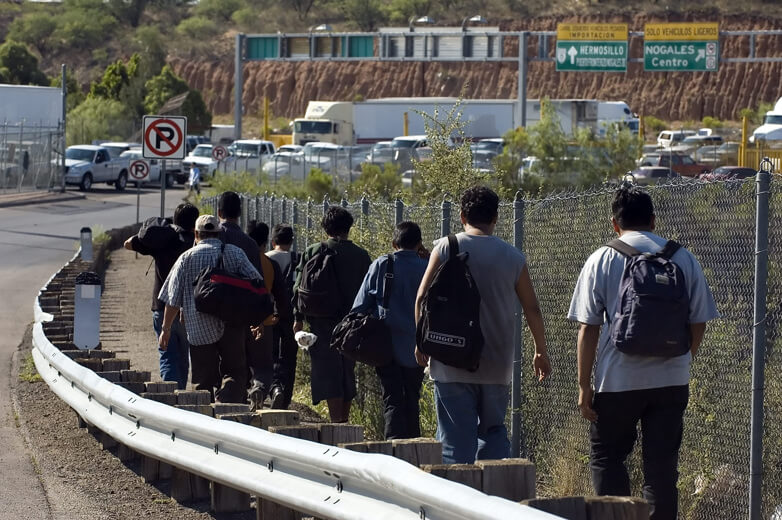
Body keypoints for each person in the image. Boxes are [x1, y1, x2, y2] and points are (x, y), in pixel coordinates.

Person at [568, 186, 719, 520]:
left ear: (614, 223)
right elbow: (699, 320)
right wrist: (684, 360)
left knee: (608, 459)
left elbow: (588, 328)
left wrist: (583, 386)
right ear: (653, 220)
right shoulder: (682, 257)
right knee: (661, 470)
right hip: (671, 381)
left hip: (617, 381)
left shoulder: (603, 258)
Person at [415, 186, 551, 464]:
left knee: (455, 438)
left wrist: (421, 342)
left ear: (462, 215)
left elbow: (421, 297)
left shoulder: (446, 246)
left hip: (450, 357)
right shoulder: (513, 256)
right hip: (496, 362)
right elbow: (532, 308)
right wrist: (540, 351)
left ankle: (457, 499)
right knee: (493, 431)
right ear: (496, 218)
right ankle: (495, 494)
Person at [158, 214, 262, 403]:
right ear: (219, 233)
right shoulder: (235, 253)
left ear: (196, 233)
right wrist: (256, 319)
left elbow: (172, 299)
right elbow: (257, 284)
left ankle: (205, 419)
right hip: (232, 325)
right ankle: (228, 410)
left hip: (199, 329)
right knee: (235, 373)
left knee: (202, 382)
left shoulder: (186, 258)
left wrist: (165, 329)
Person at [292, 206, 371, 423]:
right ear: (349, 227)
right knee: (347, 370)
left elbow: (299, 287)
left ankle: (336, 422)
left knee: (327, 372)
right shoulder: (362, 256)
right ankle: (343, 422)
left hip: (321, 322)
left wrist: (298, 319)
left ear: (325, 227)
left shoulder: (313, 251)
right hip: (353, 324)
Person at [351, 221, 429, 439]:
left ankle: (393, 446)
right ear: (419, 244)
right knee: (412, 397)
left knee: (392, 397)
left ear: (394, 242)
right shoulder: (427, 266)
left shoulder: (382, 264)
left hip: (386, 345)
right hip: (419, 346)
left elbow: (359, 305)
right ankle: (415, 447)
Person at [123, 203, 198, 389]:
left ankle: (171, 397)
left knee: (167, 355)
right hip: (189, 309)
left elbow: (127, 243)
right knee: (183, 358)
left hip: (162, 307)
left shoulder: (164, 241)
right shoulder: (196, 243)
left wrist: (160, 228)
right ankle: (180, 397)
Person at [246, 220, 291, 410]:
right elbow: (281, 296)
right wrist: (283, 317)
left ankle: (247, 392)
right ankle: (260, 388)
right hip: (266, 319)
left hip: (242, 320)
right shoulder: (270, 264)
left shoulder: (239, 258)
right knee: (265, 363)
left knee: (243, 360)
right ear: (266, 242)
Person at [267, 224, 299, 409]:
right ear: (291, 241)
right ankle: (285, 397)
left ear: (273, 241)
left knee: (269, 355)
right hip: (291, 315)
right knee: (289, 357)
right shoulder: (297, 259)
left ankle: (273, 388)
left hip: (269, 313)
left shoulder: (265, 258)